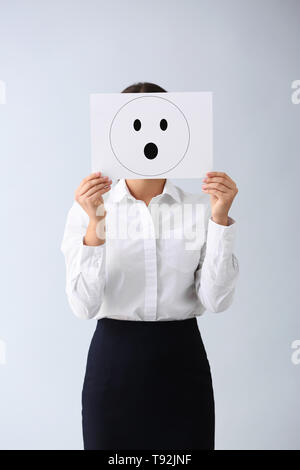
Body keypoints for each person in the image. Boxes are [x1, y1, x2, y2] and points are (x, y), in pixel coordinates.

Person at [61, 82, 239, 450]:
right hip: (114, 363)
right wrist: (95, 225)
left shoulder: (200, 208)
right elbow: (83, 306)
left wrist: (220, 219)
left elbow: (217, 301)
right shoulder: (88, 209)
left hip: (182, 360)